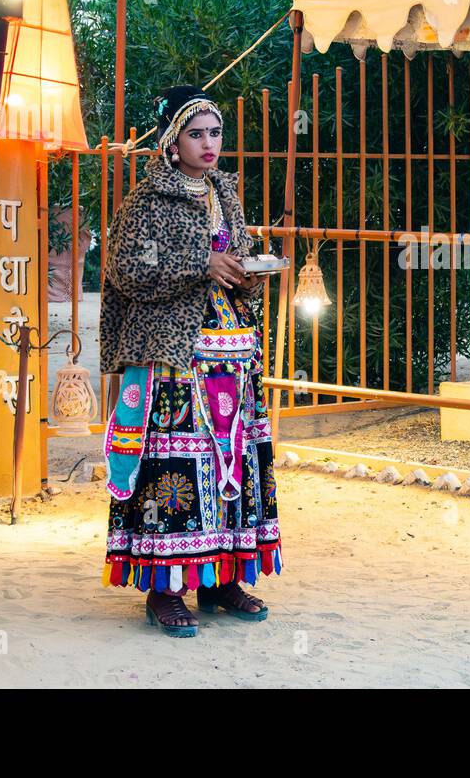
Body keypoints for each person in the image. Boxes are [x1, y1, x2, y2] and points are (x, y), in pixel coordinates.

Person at [99, 85, 281, 637]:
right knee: (174, 469)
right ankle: (164, 590)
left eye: (215, 132)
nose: (209, 143)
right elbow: (126, 269)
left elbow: (231, 263)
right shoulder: (147, 202)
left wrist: (247, 275)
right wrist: (201, 263)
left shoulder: (225, 193)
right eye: (195, 133)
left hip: (233, 355)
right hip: (174, 358)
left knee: (232, 466)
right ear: (172, 142)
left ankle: (220, 579)